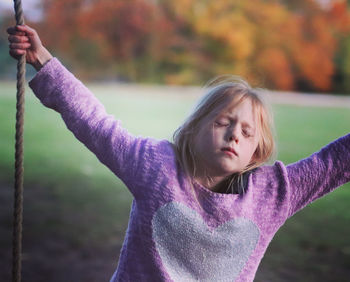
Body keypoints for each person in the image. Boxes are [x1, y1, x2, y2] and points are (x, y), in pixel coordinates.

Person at [7, 25, 350, 282]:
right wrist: (43, 60)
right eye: (223, 122)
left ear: (255, 153)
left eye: (247, 132)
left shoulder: (271, 195)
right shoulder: (157, 168)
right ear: (195, 128)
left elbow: (333, 162)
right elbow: (96, 124)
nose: (234, 135)